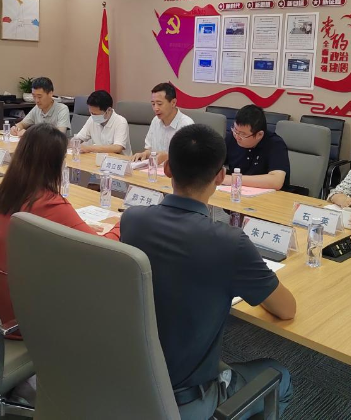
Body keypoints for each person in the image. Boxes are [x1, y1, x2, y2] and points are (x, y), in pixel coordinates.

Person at [121, 125, 295, 418]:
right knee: (280, 376)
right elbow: (286, 309)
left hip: (130, 380)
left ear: (167, 169)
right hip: (183, 401)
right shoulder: (230, 243)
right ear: (220, 176)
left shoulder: (132, 219)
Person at [0, 123, 120, 329]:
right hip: (26, 317)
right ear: (55, 163)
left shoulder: (7, 192)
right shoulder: (49, 202)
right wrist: (123, 224)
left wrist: (76, 227)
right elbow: (104, 249)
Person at [222, 105, 289, 191]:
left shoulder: (275, 144)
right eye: (235, 130)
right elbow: (213, 163)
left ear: (259, 135)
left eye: (243, 134)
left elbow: (276, 181)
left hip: (270, 196)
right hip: (237, 192)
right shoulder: (232, 137)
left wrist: (234, 179)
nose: (237, 137)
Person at [131, 82, 194, 165]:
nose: (155, 108)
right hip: (155, 169)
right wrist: (144, 154)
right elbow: (149, 149)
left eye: (159, 104)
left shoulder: (186, 125)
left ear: (173, 103)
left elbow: (190, 158)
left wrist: (168, 157)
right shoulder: (155, 121)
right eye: (153, 104)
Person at [74, 89, 131, 156]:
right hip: (97, 158)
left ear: (108, 110)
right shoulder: (91, 119)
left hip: (118, 160)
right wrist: (72, 143)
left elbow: (117, 148)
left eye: (95, 114)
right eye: (91, 113)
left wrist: (89, 148)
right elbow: (78, 138)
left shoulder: (120, 122)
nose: (93, 116)